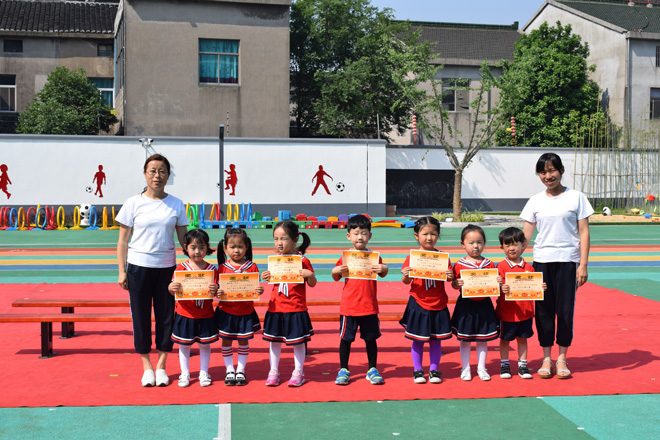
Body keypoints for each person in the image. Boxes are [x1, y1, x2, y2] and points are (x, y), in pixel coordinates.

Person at [116, 154, 189, 387]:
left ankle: (162, 365)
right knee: (140, 317)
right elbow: (122, 242)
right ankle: (146, 365)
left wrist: (199, 258)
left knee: (166, 317)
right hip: (138, 268)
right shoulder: (132, 203)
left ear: (168, 176)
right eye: (153, 171)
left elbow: (184, 240)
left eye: (162, 171)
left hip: (166, 269)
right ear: (145, 174)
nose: (157, 175)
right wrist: (122, 271)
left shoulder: (176, 204)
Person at [521, 152, 593, 379]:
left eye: (552, 170)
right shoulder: (535, 201)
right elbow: (526, 235)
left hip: (568, 262)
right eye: (543, 172)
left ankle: (561, 358)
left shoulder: (577, 197)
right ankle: (546, 358)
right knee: (543, 311)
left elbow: (584, 232)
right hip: (541, 262)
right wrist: (512, 262)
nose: (548, 176)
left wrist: (583, 265)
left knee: (564, 311)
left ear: (561, 170)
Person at [331, 214, 389, 386]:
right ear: (348, 236)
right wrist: (335, 271)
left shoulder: (374, 257)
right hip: (349, 307)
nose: (360, 237)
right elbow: (335, 276)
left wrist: (384, 268)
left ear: (370, 235)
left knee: (371, 339)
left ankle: (372, 369)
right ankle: (343, 369)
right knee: (346, 339)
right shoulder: (346, 257)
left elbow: (383, 273)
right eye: (356, 233)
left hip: (369, 306)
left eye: (364, 233)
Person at [261, 221, 317, 387]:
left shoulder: (303, 260)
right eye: (276, 239)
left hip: (296, 308)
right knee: (274, 341)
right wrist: (266, 276)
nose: (279, 243)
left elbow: (312, 283)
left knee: (298, 342)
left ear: (295, 240)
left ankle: (298, 372)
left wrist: (310, 275)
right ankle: (273, 371)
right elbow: (273, 281)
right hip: (276, 307)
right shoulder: (275, 260)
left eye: (284, 239)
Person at [400, 216, 453, 384]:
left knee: (436, 340)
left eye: (433, 234)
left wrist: (450, 275)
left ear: (438, 235)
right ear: (417, 235)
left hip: (439, 303)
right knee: (418, 340)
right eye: (425, 234)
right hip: (418, 303)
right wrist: (406, 275)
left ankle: (434, 370)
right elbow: (406, 281)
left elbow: (449, 279)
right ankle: (418, 370)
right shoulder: (412, 257)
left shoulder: (443, 257)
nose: (429, 238)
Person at [168, 229, 219, 387]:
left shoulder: (212, 269)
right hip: (185, 313)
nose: (197, 251)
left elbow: (217, 292)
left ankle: (204, 372)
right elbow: (172, 288)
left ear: (207, 247)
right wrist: (171, 287)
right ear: (186, 248)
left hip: (205, 314)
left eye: (202, 247)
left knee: (205, 345)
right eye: (193, 247)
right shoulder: (181, 268)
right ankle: (185, 373)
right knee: (184, 345)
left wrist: (215, 289)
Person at [451, 224, 500, 381]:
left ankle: (481, 368)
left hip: (484, 304)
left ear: (484, 243)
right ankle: (465, 368)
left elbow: (494, 285)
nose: (475, 246)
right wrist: (456, 283)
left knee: (482, 338)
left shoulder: (489, 264)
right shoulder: (459, 264)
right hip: (466, 306)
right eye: (471, 243)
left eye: (479, 242)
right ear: (463, 244)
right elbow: (453, 284)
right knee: (465, 339)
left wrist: (498, 282)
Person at [215, 228, 264, 386]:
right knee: (226, 341)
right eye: (232, 247)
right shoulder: (221, 268)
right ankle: (229, 370)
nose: (236, 250)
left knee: (243, 342)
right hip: (226, 312)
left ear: (246, 247)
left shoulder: (252, 266)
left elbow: (255, 287)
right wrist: (217, 292)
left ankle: (241, 369)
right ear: (225, 248)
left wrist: (259, 290)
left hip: (245, 312)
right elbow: (216, 289)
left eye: (240, 246)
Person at [496, 227, 546, 380]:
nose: (511, 248)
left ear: (523, 245)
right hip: (507, 312)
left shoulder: (529, 267)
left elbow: (534, 287)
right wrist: (501, 287)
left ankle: (522, 365)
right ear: (502, 247)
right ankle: (505, 365)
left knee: (523, 339)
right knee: (505, 339)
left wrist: (540, 287)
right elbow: (494, 287)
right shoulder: (500, 267)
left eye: (515, 244)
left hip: (525, 312)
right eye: (507, 244)